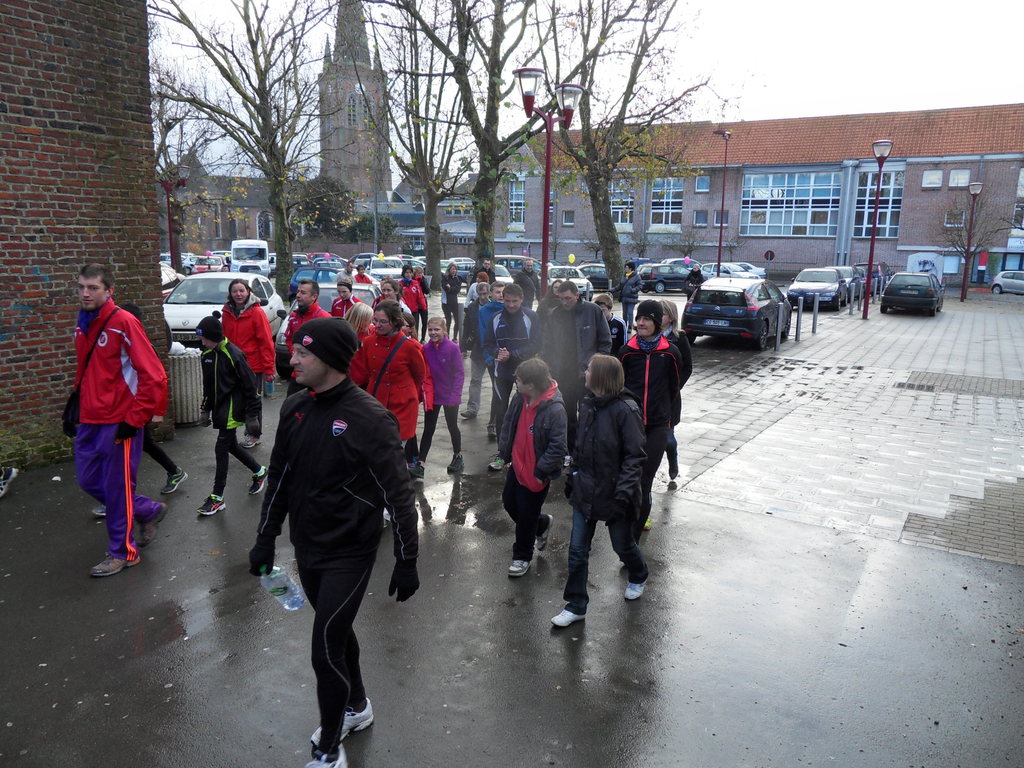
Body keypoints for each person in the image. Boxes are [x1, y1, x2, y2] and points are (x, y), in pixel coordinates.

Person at [247, 317, 419, 768]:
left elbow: (399, 495)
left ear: (331, 360)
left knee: (325, 648)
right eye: (295, 351)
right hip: (308, 545)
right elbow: (279, 479)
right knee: (335, 633)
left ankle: (328, 750)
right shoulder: (295, 407)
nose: (294, 360)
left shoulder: (370, 418)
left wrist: (407, 559)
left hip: (350, 550)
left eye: (304, 353)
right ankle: (357, 706)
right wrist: (266, 539)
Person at [73, 264, 168, 577]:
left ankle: (123, 553)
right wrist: (75, 407)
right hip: (90, 418)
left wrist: (135, 419)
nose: (85, 293)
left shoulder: (123, 322)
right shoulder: (83, 322)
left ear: (109, 290)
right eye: (81, 287)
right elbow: (88, 371)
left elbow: (154, 375)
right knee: (88, 480)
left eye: (93, 288)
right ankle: (147, 509)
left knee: (117, 489)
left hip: (119, 421)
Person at [553, 354, 648, 627]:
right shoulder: (589, 404)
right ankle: (575, 605)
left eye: (589, 369)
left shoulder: (626, 410)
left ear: (602, 377)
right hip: (586, 490)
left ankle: (639, 573)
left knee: (622, 545)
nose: (585, 372)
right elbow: (580, 446)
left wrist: (622, 496)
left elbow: (634, 458)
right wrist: (572, 477)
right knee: (577, 551)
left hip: (616, 494)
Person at [617, 300, 683, 540]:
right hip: (630, 426)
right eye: (639, 318)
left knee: (644, 482)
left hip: (657, 426)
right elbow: (617, 387)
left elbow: (674, 388)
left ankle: (633, 540)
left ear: (656, 321)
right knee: (628, 479)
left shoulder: (670, 353)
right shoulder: (626, 351)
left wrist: (666, 418)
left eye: (646, 319)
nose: (641, 323)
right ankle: (625, 527)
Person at [496, 358, 567, 577]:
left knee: (526, 516)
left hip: (537, 473)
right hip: (517, 466)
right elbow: (508, 424)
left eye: (519, 380)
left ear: (531, 385)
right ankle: (542, 523)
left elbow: (558, 446)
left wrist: (540, 472)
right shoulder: (519, 398)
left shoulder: (555, 409)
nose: (515, 382)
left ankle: (522, 557)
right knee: (510, 503)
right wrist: (505, 453)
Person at [194, 312, 268, 517]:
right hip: (219, 409)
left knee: (221, 447)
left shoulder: (234, 354)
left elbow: (251, 386)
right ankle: (260, 472)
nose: (201, 342)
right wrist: (205, 409)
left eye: (204, 338)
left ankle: (217, 497)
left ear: (214, 336)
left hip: (233, 410)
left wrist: (252, 416)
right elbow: (208, 386)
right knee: (231, 446)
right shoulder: (206, 355)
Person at [349, 300, 430, 479]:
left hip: (402, 406)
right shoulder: (369, 342)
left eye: (383, 321)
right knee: (375, 451)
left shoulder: (410, 346)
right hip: (376, 403)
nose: (377, 325)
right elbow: (366, 372)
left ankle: (395, 488)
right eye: (375, 321)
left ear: (395, 322)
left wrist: (404, 390)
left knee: (393, 453)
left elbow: (420, 375)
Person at [541, 280, 611, 452]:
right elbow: (547, 345)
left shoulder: (592, 311)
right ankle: (571, 450)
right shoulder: (554, 315)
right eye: (561, 299)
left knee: (590, 414)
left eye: (568, 298)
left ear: (577, 295)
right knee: (568, 415)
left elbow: (605, 340)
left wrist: (597, 366)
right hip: (564, 374)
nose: (564, 302)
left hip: (587, 373)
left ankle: (589, 448)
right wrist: (549, 368)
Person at [483, 282, 540, 468]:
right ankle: (502, 454)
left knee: (527, 411)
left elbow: (537, 344)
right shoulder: (495, 318)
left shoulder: (531, 317)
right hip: (502, 372)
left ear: (522, 299)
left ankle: (525, 451)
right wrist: (496, 353)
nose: (511, 305)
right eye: (507, 301)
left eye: (514, 301)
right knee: (502, 412)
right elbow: (487, 343)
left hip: (526, 373)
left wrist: (513, 354)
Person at [221, 278, 276, 448]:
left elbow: (266, 342)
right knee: (234, 399)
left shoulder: (257, 313)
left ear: (248, 292)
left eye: (241, 290)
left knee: (252, 401)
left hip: (252, 365)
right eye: (234, 291)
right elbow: (224, 339)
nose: (238, 294)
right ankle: (231, 432)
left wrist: (269, 368)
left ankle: (254, 434)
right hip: (232, 364)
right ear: (230, 294)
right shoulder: (226, 312)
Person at [420, 317, 465, 473]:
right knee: (428, 428)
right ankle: (421, 462)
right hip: (433, 395)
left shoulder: (453, 348)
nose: (433, 333)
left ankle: (458, 455)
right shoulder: (425, 348)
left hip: (450, 394)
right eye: (430, 330)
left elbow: (459, 373)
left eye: (437, 329)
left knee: (452, 426)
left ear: (444, 330)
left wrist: (455, 395)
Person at [660, 299, 693, 480]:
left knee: (668, 439)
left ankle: (672, 459)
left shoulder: (679, 338)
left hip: (669, 397)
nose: (658, 317)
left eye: (662, 313)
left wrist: (675, 386)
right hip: (650, 395)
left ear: (671, 317)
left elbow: (687, 367)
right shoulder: (649, 335)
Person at [283, 279, 332, 395]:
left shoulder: (324, 318)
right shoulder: (294, 316)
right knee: (291, 404)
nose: (298, 295)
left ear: (314, 296)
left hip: (316, 378)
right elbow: (289, 339)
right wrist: (296, 353)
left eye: (303, 292)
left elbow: (329, 348)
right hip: (297, 375)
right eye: (298, 291)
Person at [459, 281, 491, 421]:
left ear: (489, 293)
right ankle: (472, 408)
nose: (482, 297)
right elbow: (466, 327)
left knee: (497, 381)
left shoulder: (494, 307)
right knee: (475, 379)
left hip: (492, 348)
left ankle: (498, 411)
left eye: (485, 294)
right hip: (478, 348)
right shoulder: (472, 307)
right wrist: (463, 347)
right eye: (480, 294)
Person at [477, 282, 506, 439]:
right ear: (491, 294)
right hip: (492, 357)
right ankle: (493, 423)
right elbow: (484, 335)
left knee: (505, 390)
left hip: (508, 356)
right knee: (497, 390)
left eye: (503, 292)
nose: (500, 295)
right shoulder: (484, 311)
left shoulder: (509, 308)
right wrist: (489, 356)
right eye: (497, 292)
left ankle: (504, 421)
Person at [399, 265, 428, 341]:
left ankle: (415, 342)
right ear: (403, 273)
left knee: (414, 329)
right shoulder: (400, 284)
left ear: (412, 274)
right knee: (404, 329)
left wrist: (424, 307)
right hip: (404, 312)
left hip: (414, 310)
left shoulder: (415, 283)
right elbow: (399, 298)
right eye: (406, 272)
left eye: (410, 272)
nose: (408, 274)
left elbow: (420, 296)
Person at [612, 262, 643, 331]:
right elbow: (620, 286)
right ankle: (624, 325)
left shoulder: (636, 276)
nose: (625, 269)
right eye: (625, 267)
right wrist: (613, 290)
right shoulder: (624, 276)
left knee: (630, 312)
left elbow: (640, 286)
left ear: (631, 268)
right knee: (624, 314)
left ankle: (630, 326)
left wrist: (633, 290)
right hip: (624, 297)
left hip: (632, 297)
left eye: (627, 267)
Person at [440, 261, 463, 342]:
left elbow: (457, 290)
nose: (454, 271)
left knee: (457, 321)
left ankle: (455, 337)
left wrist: (451, 288)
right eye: (452, 269)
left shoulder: (457, 278)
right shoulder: (445, 278)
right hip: (446, 303)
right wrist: (452, 288)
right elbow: (447, 289)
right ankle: (446, 338)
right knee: (448, 321)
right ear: (449, 269)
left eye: (455, 269)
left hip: (454, 302)